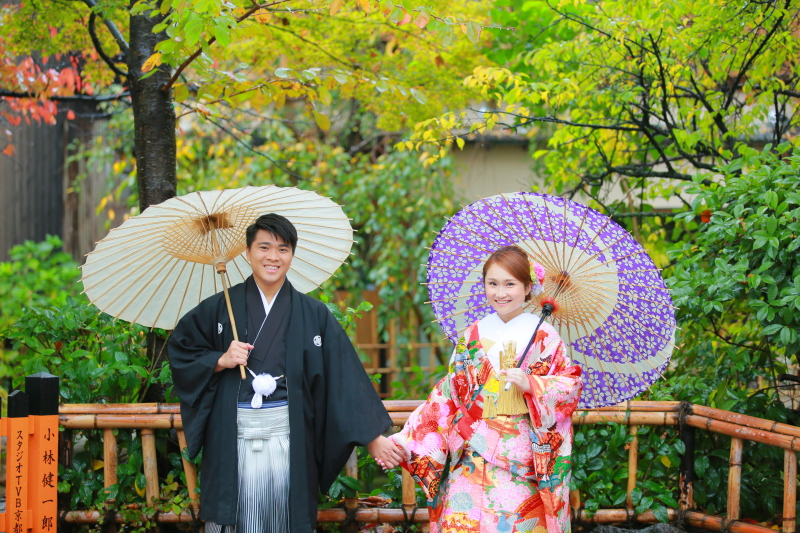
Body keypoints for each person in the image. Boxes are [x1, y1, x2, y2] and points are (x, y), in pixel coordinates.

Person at [168, 213, 402, 533]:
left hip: (289, 434)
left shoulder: (313, 312)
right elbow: (182, 349)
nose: (273, 257)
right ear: (248, 253)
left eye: (283, 249)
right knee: (235, 517)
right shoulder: (220, 307)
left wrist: (372, 437)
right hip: (234, 433)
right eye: (264, 248)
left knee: (286, 518)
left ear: (292, 255)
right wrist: (220, 359)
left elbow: (341, 375)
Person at [380, 245, 583, 533]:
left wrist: (533, 384)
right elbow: (449, 392)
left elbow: (569, 386)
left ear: (528, 288)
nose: (501, 292)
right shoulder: (473, 333)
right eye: (493, 283)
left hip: (521, 454)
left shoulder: (545, 336)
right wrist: (406, 440)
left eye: (510, 284)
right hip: (472, 446)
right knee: (462, 523)